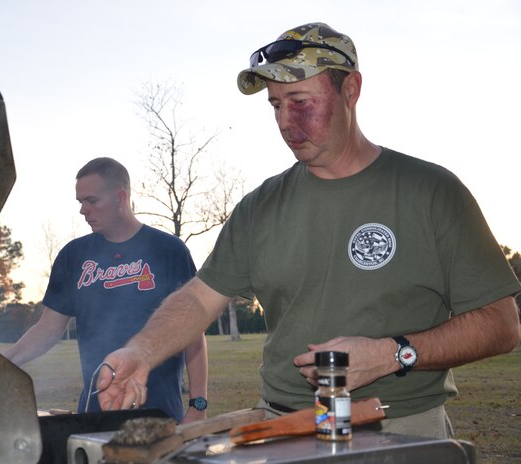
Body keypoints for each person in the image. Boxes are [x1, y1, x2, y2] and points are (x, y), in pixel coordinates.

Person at [95, 23, 521, 438]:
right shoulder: (259, 207)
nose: (285, 121)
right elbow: (198, 298)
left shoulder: (430, 191)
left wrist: (392, 354)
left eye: (301, 101)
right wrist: (140, 352)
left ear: (351, 89)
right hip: (281, 426)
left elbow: (501, 325)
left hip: (399, 427)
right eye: (276, 105)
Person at [4, 157, 208, 424]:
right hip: (94, 412)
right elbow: (48, 329)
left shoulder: (169, 250)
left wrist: (198, 404)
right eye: (80, 202)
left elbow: (192, 331)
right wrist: (3, 363)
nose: (83, 210)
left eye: (91, 201)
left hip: (159, 413)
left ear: (120, 197)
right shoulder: (73, 256)